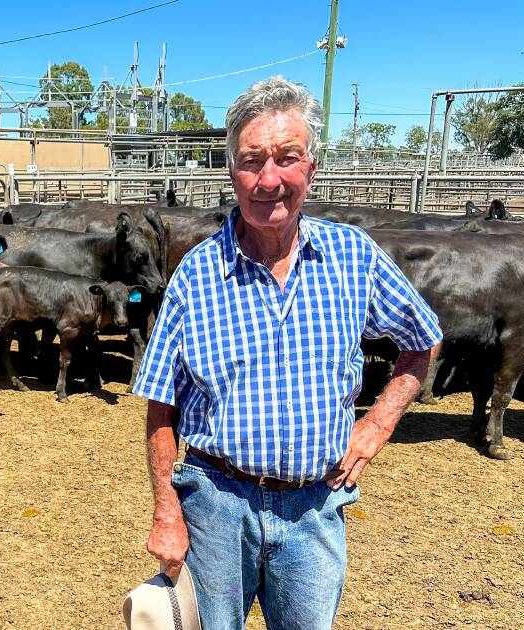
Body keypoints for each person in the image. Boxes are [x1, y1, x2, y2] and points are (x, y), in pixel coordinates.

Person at [132, 76, 442, 630]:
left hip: (315, 508)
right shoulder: (195, 275)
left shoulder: (353, 256)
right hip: (215, 508)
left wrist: (375, 426)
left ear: (312, 169)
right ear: (232, 173)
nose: (268, 179)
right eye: (252, 161)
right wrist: (166, 513)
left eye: (287, 158)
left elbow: (423, 338)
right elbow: (160, 405)